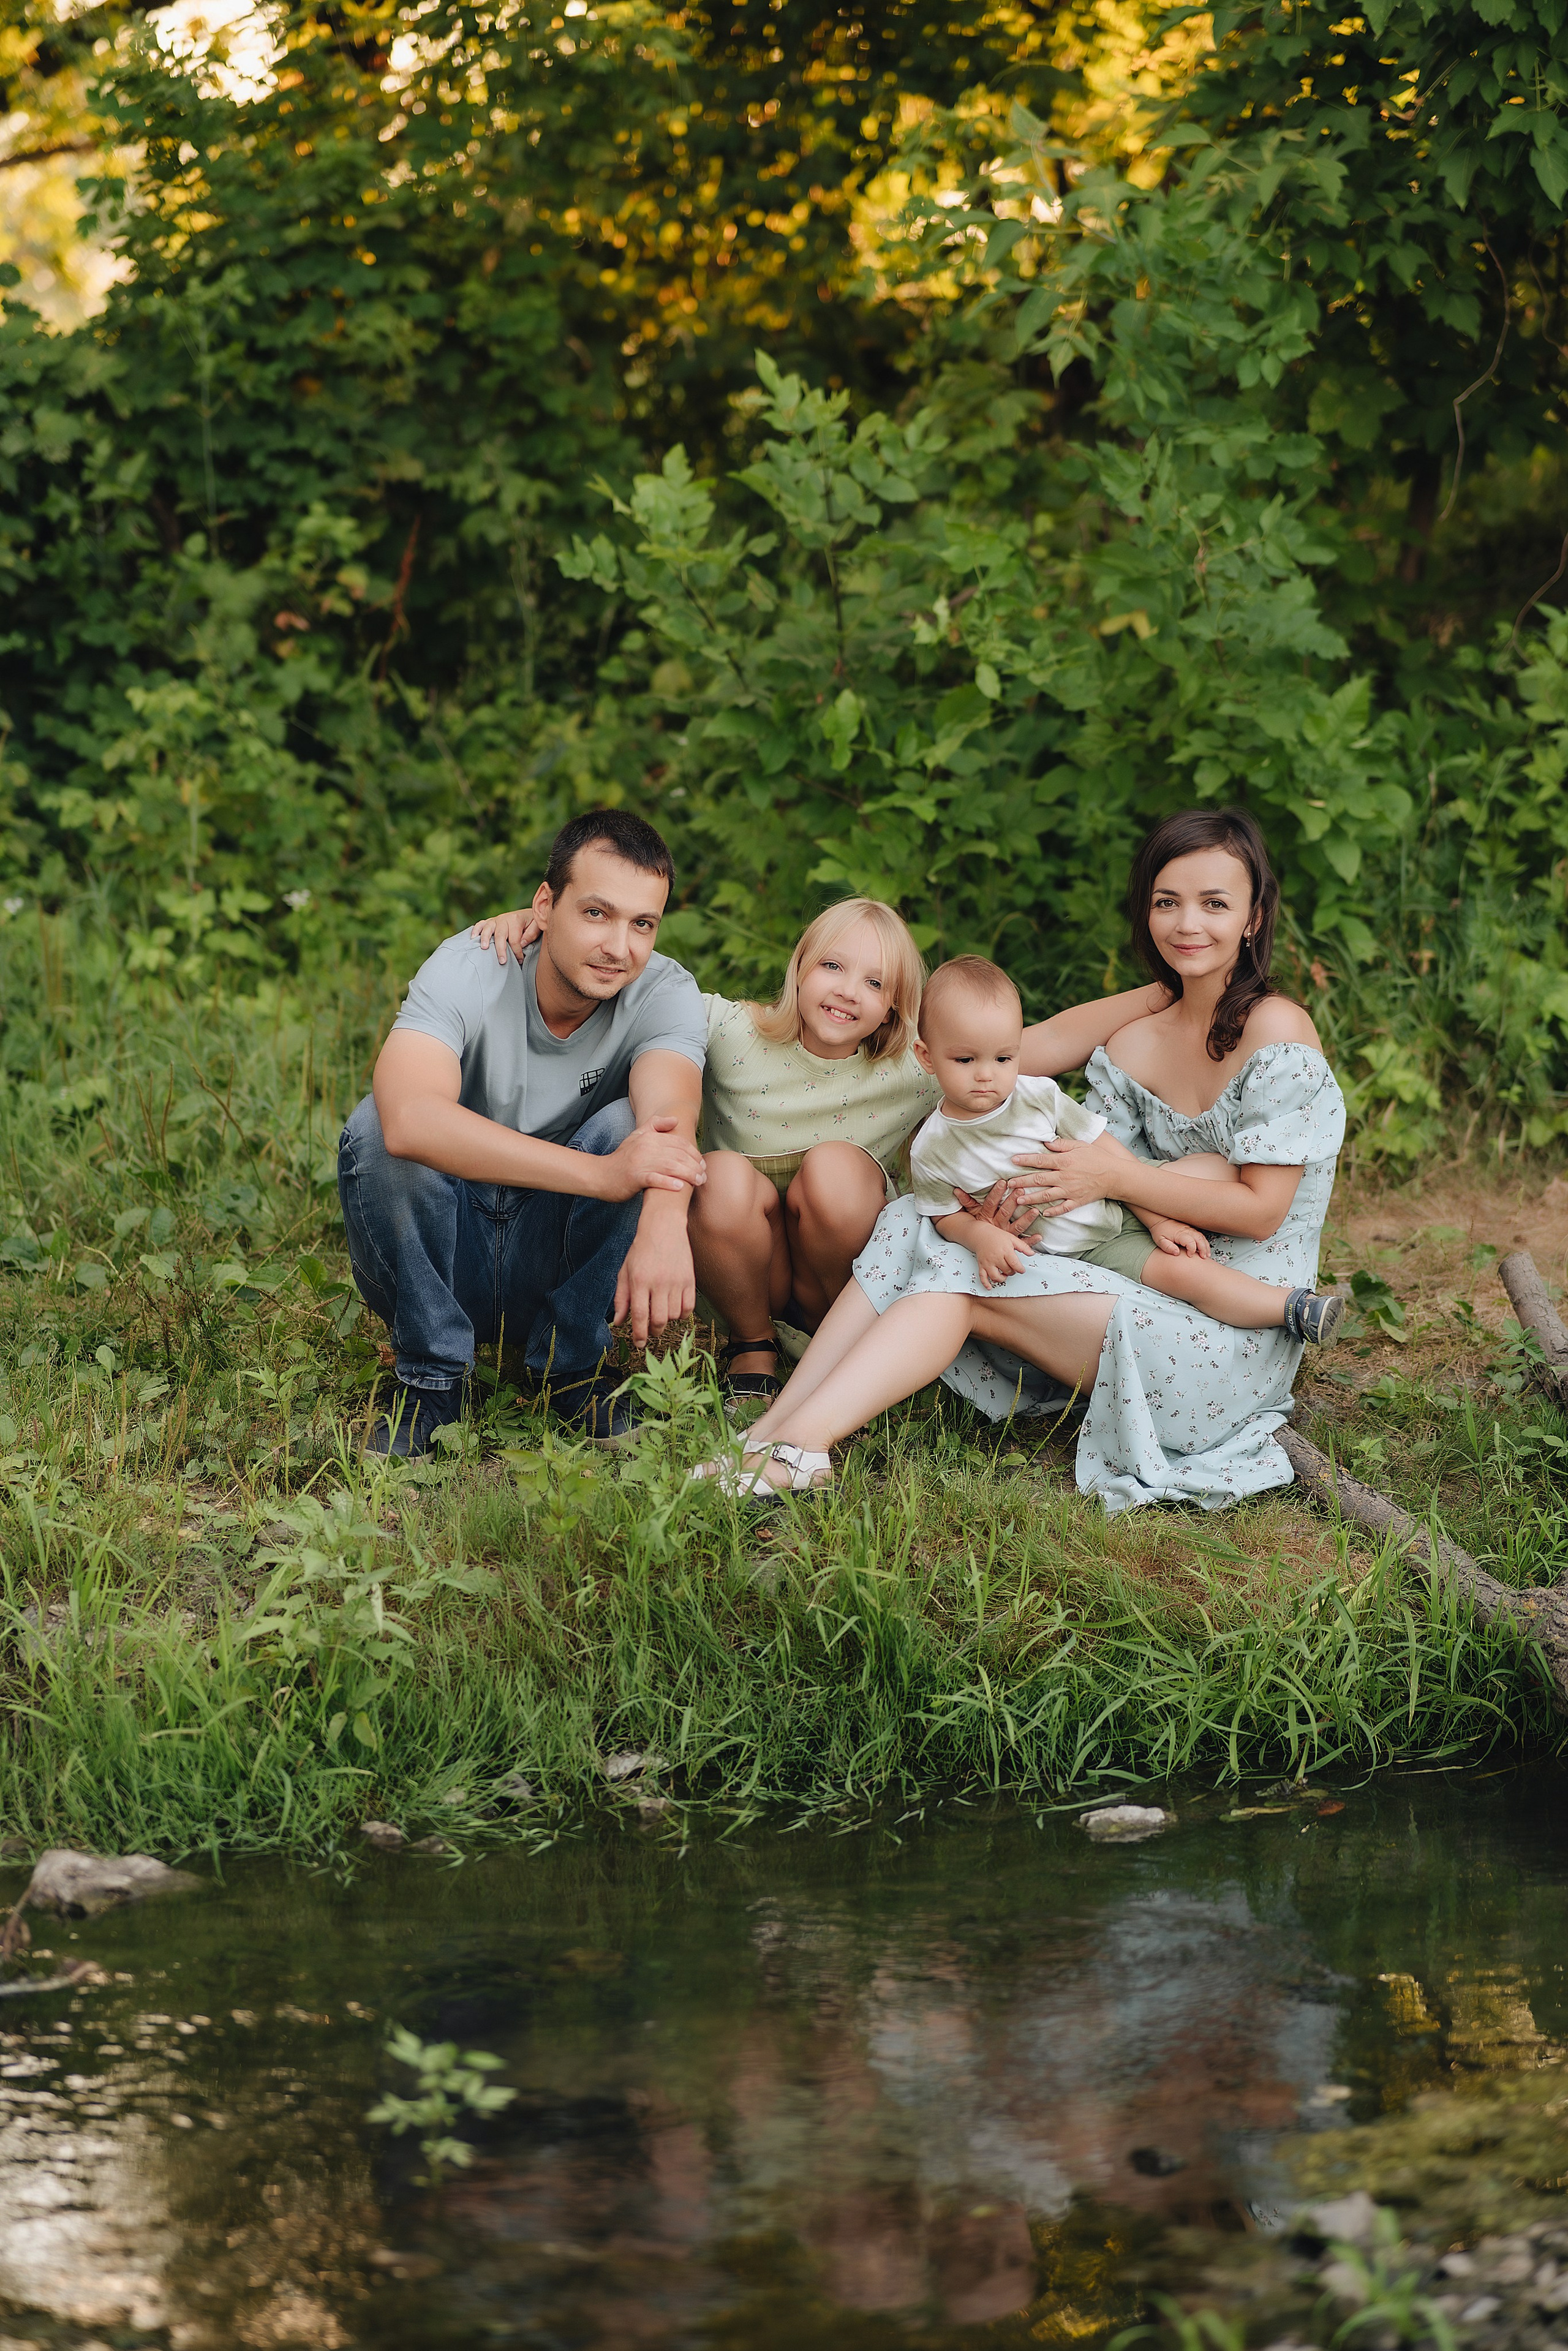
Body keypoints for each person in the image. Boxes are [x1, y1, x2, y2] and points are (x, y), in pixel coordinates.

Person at [699, 807, 1346, 1511]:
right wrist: (1002, 1209)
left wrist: (1117, 1178)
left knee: (960, 1273)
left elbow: (1260, 1213)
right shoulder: (1135, 1040)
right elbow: (1025, 1091)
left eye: (1215, 904)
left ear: (1254, 917)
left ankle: (804, 1448)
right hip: (1117, 1279)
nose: (1188, 923)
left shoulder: (1275, 1029)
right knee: (917, 1218)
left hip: (1227, 1333)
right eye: (1168, 902)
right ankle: (768, 1435)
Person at [338, 809, 707, 1455]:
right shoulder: (469, 965)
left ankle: (572, 1371)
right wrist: (600, 1173)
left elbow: (666, 1123)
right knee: (376, 1124)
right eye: (597, 913)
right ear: (545, 904)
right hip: (448, 1245)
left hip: (555, 1250)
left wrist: (667, 1214)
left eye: (641, 923)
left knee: (628, 1128)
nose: (620, 946)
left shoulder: (665, 992)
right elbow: (408, 1120)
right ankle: (429, 1378)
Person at [474, 897, 941, 1401]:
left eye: (875, 983)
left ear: (896, 1003)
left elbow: (1007, 1051)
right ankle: (753, 1345)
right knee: (716, 1174)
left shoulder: (917, 1065)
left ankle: (843, 1341)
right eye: (832, 965)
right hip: (744, 1270)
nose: (848, 992)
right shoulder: (732, 1030)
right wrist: (544, 925)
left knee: (837, 1168)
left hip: (842, 1280)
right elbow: (634, 977)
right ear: (801, 967)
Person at [909, 953, 1344, 1343]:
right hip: (1068, 1250)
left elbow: (1108, 1153)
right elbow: (944, 1214)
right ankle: (1281, 1308)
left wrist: (1155, 1221)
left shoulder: (1037, 1097)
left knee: (1203, 1204)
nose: (986, 1075)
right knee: (1179, 1274)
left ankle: (1292, 1306)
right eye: (966, 1061)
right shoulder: (932, 1147)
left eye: (1003, 1059)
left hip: (1120, 1202)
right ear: (927, 1058)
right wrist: (981, 1234)